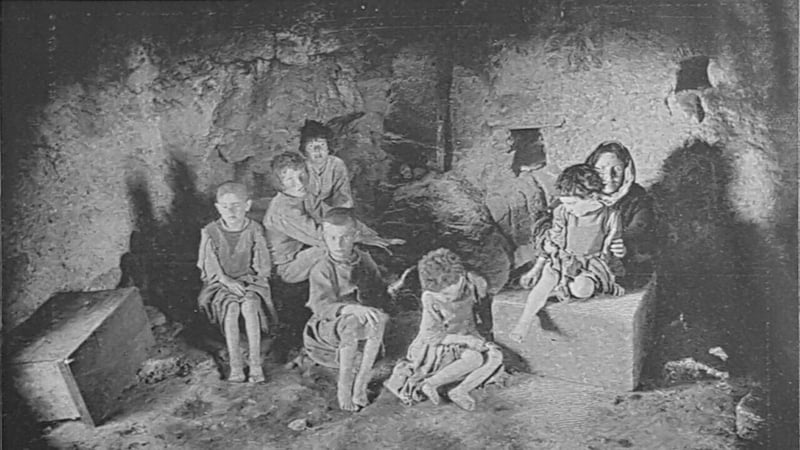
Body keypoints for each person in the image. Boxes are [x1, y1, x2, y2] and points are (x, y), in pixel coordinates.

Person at [509, 164, 625, 343]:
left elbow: (614, 244)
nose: (568, 208)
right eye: (565, 203)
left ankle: (563, 289)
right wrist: (536, 269)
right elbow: (554, 241)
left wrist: (619, 251)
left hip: (590, 264)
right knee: (543, 284)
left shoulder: (610, 216)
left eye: (572, 203)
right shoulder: (563, 212)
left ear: (592, 196)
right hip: (562, 259)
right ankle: (524, 322)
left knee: (582, 290)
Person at [384, 248, 503, 411]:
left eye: (447, 294)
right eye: (439, 295)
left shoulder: (476, 284)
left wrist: (483, 339)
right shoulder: (430, 297)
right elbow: (431, 335)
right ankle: (430, 384)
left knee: (495, 356)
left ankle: (460, 391)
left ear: (459, 279)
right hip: (441, 344)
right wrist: (465, 341)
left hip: (469, 334)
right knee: (474, 359)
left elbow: (484, 314)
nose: (443, 298)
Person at [263, 152, 403, 284]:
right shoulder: (283, 211)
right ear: (279, 183)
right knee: (337, 244)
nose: (299, 184)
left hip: (308, 248)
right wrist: (361, 238)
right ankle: (375, 280)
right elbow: (319, 237)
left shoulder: (305, 195)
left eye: (302, 175)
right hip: (290, 267)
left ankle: (381, 272)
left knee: (343, 238)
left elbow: (336, 216)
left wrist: (374, 236)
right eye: (290, 180)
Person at [302, 207, 389, 411]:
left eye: (344, 237)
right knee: (351, 323)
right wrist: (350, 309)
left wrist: (378, 305)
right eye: (331, 238)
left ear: (355, 236)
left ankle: (361, 383)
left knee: (380, 319)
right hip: (328, 326)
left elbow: (378, 290)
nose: (338, 244)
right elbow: (321, 307)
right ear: (324, 236)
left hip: (362, 317)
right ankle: (344, 387)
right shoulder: (322, 268)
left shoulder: (364, 260)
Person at [197, 182, 276, 382]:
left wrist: (250, 284)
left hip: (250, 282)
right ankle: (236, 366)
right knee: (231, 310)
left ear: (247, 205)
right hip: (220, 285)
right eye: (225, 206)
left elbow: (262, 266)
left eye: (236, 205)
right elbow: (210, 266)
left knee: (249, 306)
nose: (230, 211)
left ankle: (256, 365)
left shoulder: (254, 229)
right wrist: (226, 281)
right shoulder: (210, 232)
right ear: (217, 208)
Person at [299, 119, 354, 210]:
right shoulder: (300, 167)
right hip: (306, 209)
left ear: (329, 147)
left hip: (330, 210)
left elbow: (343, 193)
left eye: (322, 145)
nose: (317, 150)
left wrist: (339, 207)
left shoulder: (337, 164)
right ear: (304, 150)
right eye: (311, 146)